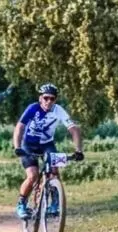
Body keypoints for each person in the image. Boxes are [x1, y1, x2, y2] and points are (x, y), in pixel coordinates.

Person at [13, 84, 83, 219]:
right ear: (40, 98)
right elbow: (19, 127)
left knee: (55, 171)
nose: (49, 101)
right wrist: (17, 147)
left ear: (55, 100)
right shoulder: (33, 108)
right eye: (46, 98)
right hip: (28, 145)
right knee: (32, 176)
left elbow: (74, 129)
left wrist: (78, 150)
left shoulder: (59, 110)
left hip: (47, 145)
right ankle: (21, 203)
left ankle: (55, 203)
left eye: (52, 98)